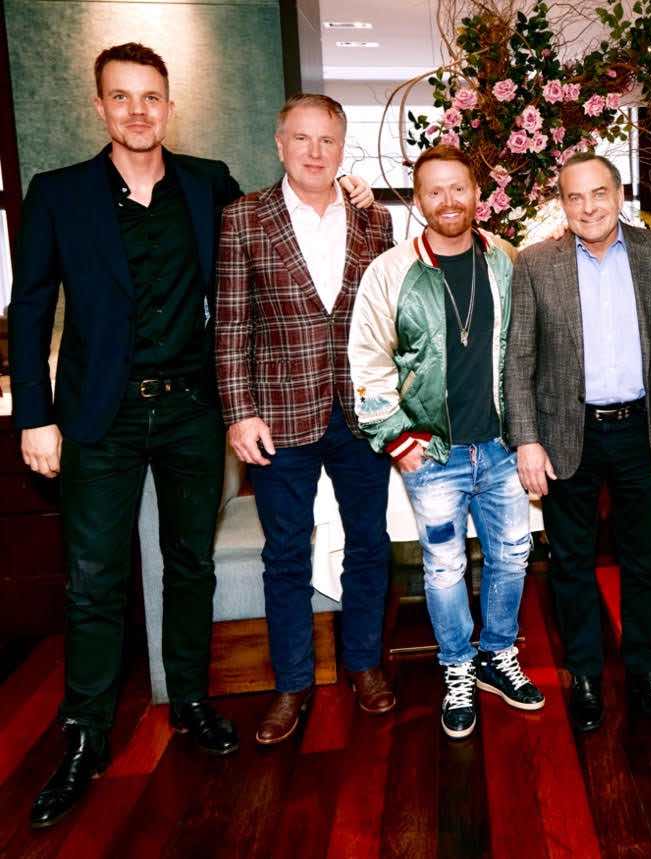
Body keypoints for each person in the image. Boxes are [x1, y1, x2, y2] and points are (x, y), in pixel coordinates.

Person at [9, 44, 368, 829]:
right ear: (100, 106)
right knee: (93, 578)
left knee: (189, 564)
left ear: (170, 107)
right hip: (98, 415)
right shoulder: (59, 193)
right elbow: (30, 306)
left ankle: (193, 700)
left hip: (191, 413)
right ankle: (85, 734)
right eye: (122, 97)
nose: (138, 111)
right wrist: (35, 414)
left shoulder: (210, 185)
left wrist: (346, 190)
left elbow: (282, 225)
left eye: (151, 97)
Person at [215, 93, 395, 745]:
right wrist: (240, 413)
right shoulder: (243, 218)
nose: (315, 152)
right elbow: (230, 325)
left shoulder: (375, 220)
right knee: (285, 553)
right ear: (279, 143)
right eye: (302, 138)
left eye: (328, 140)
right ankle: (291, 684)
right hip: (278, 416)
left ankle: (364, 663)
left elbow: (387, 319)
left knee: (369, 544)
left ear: (342, 148)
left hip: (361, 413)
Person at [349, 144, 544, 740]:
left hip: (502, 448)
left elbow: (530, 350)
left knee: (512, 555)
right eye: (434, 190)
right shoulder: (390, 272)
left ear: (477, 193)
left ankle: (498, 655)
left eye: (458, 187)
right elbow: (367, 361)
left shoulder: (507, 260)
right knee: (443, 566)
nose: (448, 200)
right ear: (418, 200)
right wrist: (398, 439)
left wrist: (529, 432)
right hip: (432, 454)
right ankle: (457, 666)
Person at [505, 152, 651, 733]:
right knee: (571, 562)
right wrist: (527, 439)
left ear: (619, 194)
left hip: (641, 430)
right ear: (562, 204)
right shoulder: (536, 264)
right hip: (567, 433)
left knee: (642, 558)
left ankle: (644, 668)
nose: (588, 208)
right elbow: (518, 360)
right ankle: (584, 674)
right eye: (574, 197)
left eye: (598, 193)